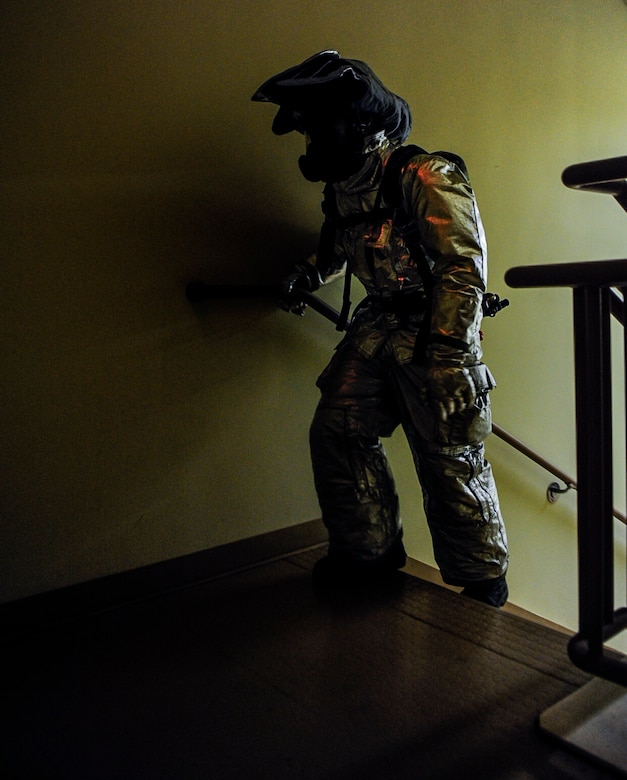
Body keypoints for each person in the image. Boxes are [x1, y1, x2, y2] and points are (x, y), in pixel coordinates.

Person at [252, 51, 509, 606]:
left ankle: (481, 576)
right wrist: (306, 275)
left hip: (437, 330)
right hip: (379, 327)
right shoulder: (343, 187)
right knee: (338, 428)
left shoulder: (425, 174)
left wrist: (447, 358)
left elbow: (462, 268)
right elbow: (340, 247)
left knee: (449, 453)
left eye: (321, 126)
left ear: (363, 121)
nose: (313, 140)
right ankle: (367, 551)